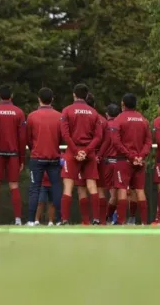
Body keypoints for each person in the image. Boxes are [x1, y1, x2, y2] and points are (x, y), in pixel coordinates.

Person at [60, 84, 102, 225]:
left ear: (74, 95)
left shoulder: (67, 111)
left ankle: (65, 219)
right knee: (92, 185)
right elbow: (98, 137)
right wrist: (86, 151)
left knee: (68, 186)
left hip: (72, 152)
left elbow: (65, 134)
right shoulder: (94, 113)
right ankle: (96, 219)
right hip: (89, 154)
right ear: (86, 95)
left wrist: (77, 151)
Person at [111, 93, 152, 225]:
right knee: (140, 190)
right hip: (139, 161)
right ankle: (145, 222)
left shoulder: (118, 119)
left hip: (124, 160)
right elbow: (148, 142)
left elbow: (116, 142)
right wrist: (141, 156)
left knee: (122, 189)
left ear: (123, 104)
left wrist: (131, 156)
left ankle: (121, 222)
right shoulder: (144, 120)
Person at [0, 85, 26, 226]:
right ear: (12, 95)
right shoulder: (19, 112)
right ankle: (18, 220)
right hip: (13, 154)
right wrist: (22, 157)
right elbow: (22, 138)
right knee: (14, 185)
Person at [26, 88, 62, 226]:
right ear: (52, 99)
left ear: (38, 99)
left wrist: (34, 149)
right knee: (56, 187)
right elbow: (61, 137)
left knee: (34, 188)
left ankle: (30, 220)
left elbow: (28, 138)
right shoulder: (59, 116)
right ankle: (59, 220)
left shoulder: (32, 116)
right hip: (53, 157)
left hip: (37, 157)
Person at [86, 93, 109, 224]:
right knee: (100, 189)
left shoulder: (83, 118)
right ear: (94, 105)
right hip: (99, 158)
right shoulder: (102, 120)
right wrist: (99, 155)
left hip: (85, 156)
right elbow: (106, 141)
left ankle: (86, 220)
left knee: (83, 189)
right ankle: (101, 221)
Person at [97, 104, 121, 223]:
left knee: (101, 191)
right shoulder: (120, 125)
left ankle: (103, 219)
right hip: (119, 163)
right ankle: (110, 217)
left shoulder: (103, 125)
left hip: (105, 163)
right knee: (116, 194)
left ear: (107, 115)